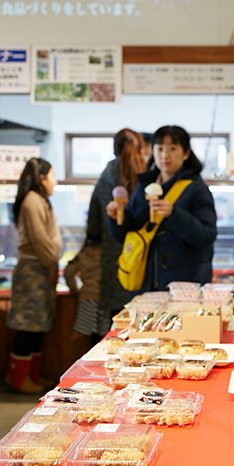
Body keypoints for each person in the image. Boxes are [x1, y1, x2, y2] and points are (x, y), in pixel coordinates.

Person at [106, 125, 217, 293]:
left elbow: (206, 236)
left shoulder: (196, 189)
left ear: (186, 153)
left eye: (172, 148)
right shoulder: (144, 186)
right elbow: (125, 234)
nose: (165, 155)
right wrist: (116, 218)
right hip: (145, 284)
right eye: (159, 148)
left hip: (184, 287)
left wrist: (174, 214)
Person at [6, 157, 61, 393]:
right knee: (28, 327)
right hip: (33, 270)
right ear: (42, 178)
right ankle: (18, 378)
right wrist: (52, 263)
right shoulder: (32, 200)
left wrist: (52, 262)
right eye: (52, 176)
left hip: (40, 267)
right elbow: (41, 241)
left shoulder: (39, 200)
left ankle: (31, 375)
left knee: (38, 326)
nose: (55, 182)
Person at [85, 128, 146, 337]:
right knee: (142, 320)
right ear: (142, 148)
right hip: (142, 259)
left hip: (113, 260)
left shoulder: (107, 175)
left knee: (115, 321)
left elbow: (93, 222)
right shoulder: (147, 173)